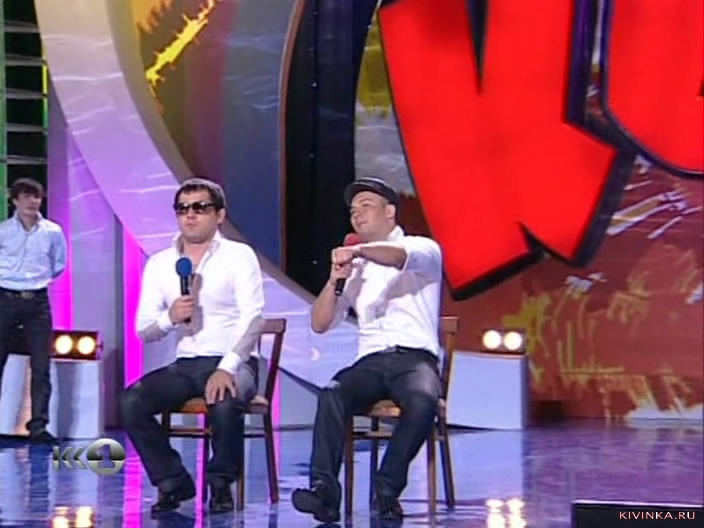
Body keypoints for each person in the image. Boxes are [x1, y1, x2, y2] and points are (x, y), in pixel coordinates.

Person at [292, 177, 444, 523]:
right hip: (370, 362)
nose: (357, 214)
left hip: (414, 358)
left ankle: (387, 487)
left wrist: (358, 251)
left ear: (390, 212)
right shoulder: (355, 268)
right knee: (332, 393)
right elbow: (319, 323)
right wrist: (335, 279)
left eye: (366, 206)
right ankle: (324, 492)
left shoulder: (422, 248)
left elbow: (397, 257)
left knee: (422, 400)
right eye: (352, 210)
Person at [119, 178, 265, 515]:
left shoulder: (239, 256)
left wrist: (227, 367)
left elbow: (253, 318)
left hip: (234, 360)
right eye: (183, 208)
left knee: (224, 400)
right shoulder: (160, 263)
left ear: (219, 215)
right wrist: (170, 317)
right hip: (186, 363)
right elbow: (144, 331)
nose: (190, 215)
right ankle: (172, 481)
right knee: (131, 401)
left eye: (200, 207)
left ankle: (220, 483)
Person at [0, 178, 67, 444]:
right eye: (27, 196)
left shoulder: (52, 231)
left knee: (41, 365)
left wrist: (37, 281)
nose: (33, 202)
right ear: (15, 201)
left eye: (37, 197)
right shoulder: (4, 231)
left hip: (37, 301)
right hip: (5, 298)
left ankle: (38, 426)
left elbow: (59, 264)